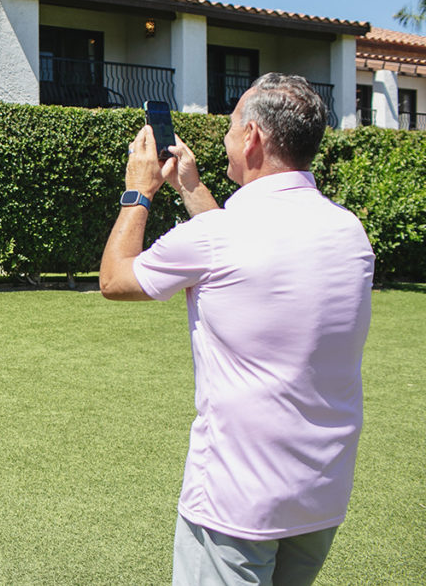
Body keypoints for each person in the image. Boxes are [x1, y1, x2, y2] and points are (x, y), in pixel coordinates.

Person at [98, 73, 375, 585]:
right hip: (320, 490)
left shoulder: (219, 236)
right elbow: (248, 255)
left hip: (238, 499)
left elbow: (115, 279)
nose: (225, 138)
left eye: (230, 127)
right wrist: (192, 187)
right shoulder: (348, 229)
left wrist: (137, 193)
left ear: (251, 138)